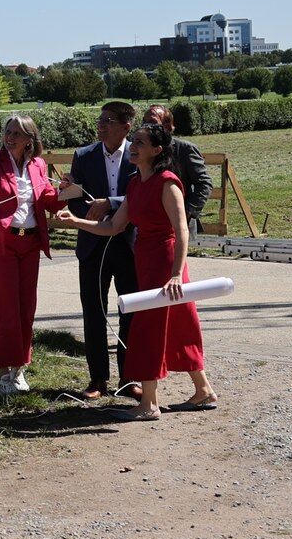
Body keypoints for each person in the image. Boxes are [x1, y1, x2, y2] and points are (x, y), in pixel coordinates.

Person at [54, 121, 217, 419]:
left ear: (156, 150)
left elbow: (182, 232)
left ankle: (148, 404)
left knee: (147, 329)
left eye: (140, 143)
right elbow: (114, 226)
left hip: (166, 264)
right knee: (179, 327)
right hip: (146, 261)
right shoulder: (136, 183)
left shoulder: (168, 182)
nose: (133, 146)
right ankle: (203, 390)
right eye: (134, 141)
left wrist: (176, 274)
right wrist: (75, 222)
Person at [0, 114, 65, 395]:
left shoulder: (39, 164)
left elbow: (48, 199)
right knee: (8, 309)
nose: (11, 137)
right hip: (0, 244)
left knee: (26, 306)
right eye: (8, 131)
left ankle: (20, 369)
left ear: (31, 138)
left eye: (17, 133)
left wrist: (65, 196)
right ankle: (4, 372)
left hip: (29, 244)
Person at [65, 101, 138, 400]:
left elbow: (142, 194)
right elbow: (72, 198)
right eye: (101, 119)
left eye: (109, 120)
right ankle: (97, 379)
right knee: (93, 312)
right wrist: (88, 212)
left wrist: (112, 204)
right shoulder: (83, 155)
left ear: (126, 127)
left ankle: (129, 377)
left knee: (130, 311)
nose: (102, 125)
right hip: (92, 245)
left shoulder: (138, 153)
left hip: (128, 245)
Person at [143, 104, 212, 237]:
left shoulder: (185, 149)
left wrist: (187, 212)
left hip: (178, 225)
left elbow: (204, 184)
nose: (146, 127)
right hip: (149, 223)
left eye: (152, 122)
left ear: (167, 126)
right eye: (144, 122)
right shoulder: (140, 150)